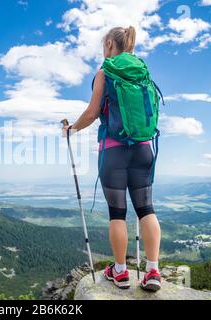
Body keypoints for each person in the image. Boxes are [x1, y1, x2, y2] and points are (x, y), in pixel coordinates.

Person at [62, 26, 162, 292]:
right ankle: (152, 270)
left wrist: (71, 129)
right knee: (146, 209)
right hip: (144, 150)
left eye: (102, 45)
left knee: (117, 214)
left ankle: (120, 272)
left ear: (109, 43)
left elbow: (93, 112)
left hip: (114, 152)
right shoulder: (142, 73)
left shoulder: (105, 72)